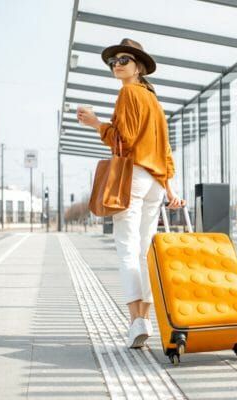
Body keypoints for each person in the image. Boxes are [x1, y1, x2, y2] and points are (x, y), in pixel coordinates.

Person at [77, 38, 186, 348]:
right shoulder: (155, 102)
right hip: (154, 182)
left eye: (124, 60)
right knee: (144, 250)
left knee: (127, 249)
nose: (117, 65)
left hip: (134, 176)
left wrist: (97, 123)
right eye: (114, 62)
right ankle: (146, 320)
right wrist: (170, 188)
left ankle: (135, 321)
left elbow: (121, 140)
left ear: (138, 67)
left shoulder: (127, 93)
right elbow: (164, 150)